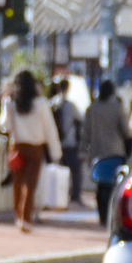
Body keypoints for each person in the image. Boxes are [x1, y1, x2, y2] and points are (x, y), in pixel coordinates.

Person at [0, 69, 62, 232]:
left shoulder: (11, 103)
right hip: (35, 148)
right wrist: (56, 152)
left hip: (17, 146)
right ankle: (26, 219)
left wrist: (4, 102)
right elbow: (50, 128)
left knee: (17, 183)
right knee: (31, 184)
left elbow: (4, 126)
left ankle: (18, 215)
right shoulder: (41, 103)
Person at [80, 79, 132, 223]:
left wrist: (83, 150)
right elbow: (126, 131)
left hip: (97, 151)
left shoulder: (92, 108)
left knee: (100, 184)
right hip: (115, 150)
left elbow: (86, 132)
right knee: (113, 184)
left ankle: (101, 213)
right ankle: (109, 214)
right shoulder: (118, 108)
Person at [49, 77, 83, 206]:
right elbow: (80, 119)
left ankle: (57, 196)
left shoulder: (52, 103)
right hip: (69, 142)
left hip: (55, 143)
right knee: (75, 170)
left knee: (58, 170)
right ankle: (74, 196)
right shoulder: (70, 105)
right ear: (67, 88)